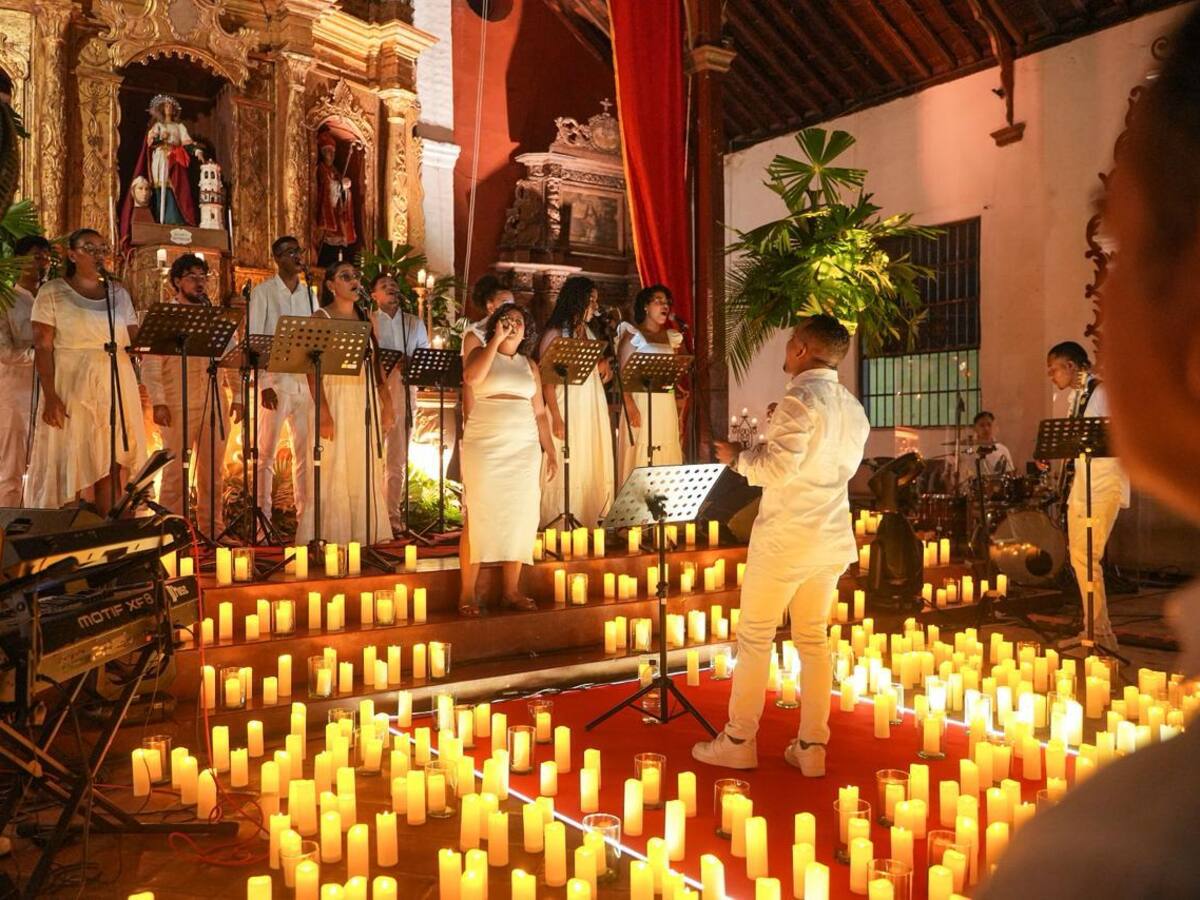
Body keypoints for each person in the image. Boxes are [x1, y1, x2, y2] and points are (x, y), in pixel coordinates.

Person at [980, 9, 1200, 898]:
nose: (1100, 305)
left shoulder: (1122, 852)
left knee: (1091, 549)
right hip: (1081, 478)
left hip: (1101, 478)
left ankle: (1099, 624)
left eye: (1110, 248)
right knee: (1076, 551)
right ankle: (1091, 623)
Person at [692, 315, 869, 776]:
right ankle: (811, 746)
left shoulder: (800, 398)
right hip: (830, 536)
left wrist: (738, 458)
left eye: (791, 342)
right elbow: (827, 463)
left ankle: (738, 738)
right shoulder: (852, 406)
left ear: (802, 349)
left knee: (755, 638)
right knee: (812, 640)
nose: (786, 349)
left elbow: (776, 471)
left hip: (788, 537)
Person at [25, 229, 147, 514]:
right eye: (89, 248)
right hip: (71, 381)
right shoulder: (53, 292)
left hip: (115, 379)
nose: (97, 254)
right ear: (72, 254)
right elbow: (43, 347)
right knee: (72, 455)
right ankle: (63, 535)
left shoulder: (118, 293)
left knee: (111, 457)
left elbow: (135, 339)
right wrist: (51, 396)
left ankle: (110, 531)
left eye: (102, 248)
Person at [458, 302, 557, 615]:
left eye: (519, 320)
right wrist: (495, 342)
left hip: (524, 444)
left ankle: (511, 590)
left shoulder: (529, 365)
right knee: (479, 512)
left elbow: (540, 412)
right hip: (486, 441)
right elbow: (472, 379)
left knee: (521, 514)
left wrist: (550, 449)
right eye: (506, 319)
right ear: (495, 325)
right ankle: (466, 593)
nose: (513, 324)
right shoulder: (480, 352)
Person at [141, 253, 232, 534]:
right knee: (174, 472)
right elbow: (152, 363)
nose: (199, 282)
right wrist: (159, 402)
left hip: (214, 400)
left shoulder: (214, 315)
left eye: (203, 276)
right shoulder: (165, 315)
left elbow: (231, 357)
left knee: (213, 472)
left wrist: (238, 397)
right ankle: (173, 533)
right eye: (192, 277)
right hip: (176, 399)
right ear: (177, 281)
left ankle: (212, 531)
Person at [1046, 339, 1129, 650]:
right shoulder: (1078, 396)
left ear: (1071, 366)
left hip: (1103, 482)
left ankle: (1100, 634)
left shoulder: (1103, 392)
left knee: (1088, 557)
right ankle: (1094, 630)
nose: (1052, 376)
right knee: (1081, 557)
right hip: (1084, 484)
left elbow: (1117, 435)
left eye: (1054, 369)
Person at [309, 261, 393, 545]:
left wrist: (387, 401)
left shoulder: (365, 318)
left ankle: (364, 533)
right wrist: (322, 410)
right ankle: (333, 537)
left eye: (356, 276)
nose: (354, 281)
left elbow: (377, 361)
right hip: (336, 395)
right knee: (337, 463)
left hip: (363, 395)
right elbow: (310, 368)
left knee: (363, 462)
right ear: (331, 285)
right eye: (345, 276)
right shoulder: (321, 317)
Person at [249, 235, 315, 543]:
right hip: (275, 382)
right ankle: (262, 527)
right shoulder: (262, 293)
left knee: (306, 455)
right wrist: (264, 384)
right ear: (277, 258)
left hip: (304, 384)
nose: (297, 257)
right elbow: (254, 338)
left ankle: (306, 525)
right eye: (290, 252)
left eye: (299, 251)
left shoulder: (309, 295)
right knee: (266, 455)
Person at [537, 276, 614, 528]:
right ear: (578, 300)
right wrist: (556, 417)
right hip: (565, 404)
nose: (595, 306)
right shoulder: (556, 332)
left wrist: (603, 365)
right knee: (565, 458)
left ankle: (587, 518)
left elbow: (592, 369)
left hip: (589, 407)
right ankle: (558, 520)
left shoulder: (589, 332)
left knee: (587, 459)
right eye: (591, 300)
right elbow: (547, 379)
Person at [371, 273, 429, 533]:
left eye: (394, 285)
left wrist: (412, 363)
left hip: (405, 392)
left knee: (397, 459)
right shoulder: (369, 321)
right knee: (373, 456)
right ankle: (371, 515)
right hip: (376, 394)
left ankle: (392, 516)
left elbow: (425, 358)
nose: (391, 289)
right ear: (374, 296)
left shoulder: (414, 323)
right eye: (384, 286)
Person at [617, 284, 685, 483]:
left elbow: (674, 373)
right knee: (643, 450)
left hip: (664, 403)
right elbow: (622, 374)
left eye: (667, 303)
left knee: (665, 448)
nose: (665, 306)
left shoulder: (671, 337)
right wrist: (629, 405)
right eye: (658, 301)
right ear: (645, 306)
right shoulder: (633, 335)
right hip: (641, 403)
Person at [0, 236, 50, 505]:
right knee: (11, 471)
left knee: (45, 471)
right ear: (19, 261)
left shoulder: (54, 299)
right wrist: (42, 355)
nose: (42, 263)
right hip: (14, 397)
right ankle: (5, 537)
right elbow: (4, 352)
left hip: (50, 395)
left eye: (46, 258)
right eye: (36, 257)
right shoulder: (5, 300)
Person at [956, 410, 1014, 487]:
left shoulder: (1002, 450)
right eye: (982, 425)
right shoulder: (969, 451)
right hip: (974, 492)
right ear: (975, 428)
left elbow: (1010, 474)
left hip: (997, 492)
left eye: (989, 425)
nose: (986, 428)